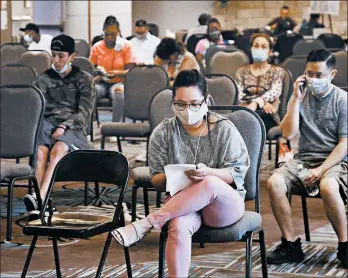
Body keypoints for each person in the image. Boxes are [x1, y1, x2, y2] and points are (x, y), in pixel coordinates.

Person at [111, 69, 249, 277]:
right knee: (177, 226)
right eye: (181, 104)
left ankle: (147, 222)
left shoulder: (224, 129)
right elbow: (156, 180)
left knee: (209, 183)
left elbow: (237, 174)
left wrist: (208, 173)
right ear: (173, 102)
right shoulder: (163, 132)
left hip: (222, 206)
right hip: (182, 205)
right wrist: (178, 175)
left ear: (207, 100)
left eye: (194, 104)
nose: (188, 110)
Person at [267, 49, 347, 269]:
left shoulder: (342, 100)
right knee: (274, 182)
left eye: (319, 75)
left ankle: (345, 245)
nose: (313, 79)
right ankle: (291, 244)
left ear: (332, 75)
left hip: (335, 162)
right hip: (304, 159)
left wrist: (321, 170)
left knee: (329, 186)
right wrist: (295, 98)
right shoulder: (301, 97)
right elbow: (288, 133)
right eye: (309, 73)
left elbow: (344, 144)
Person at [23, 35, 95, 212]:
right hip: (47, 123)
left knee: (58, 150)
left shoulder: (84, 79)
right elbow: (36, 109)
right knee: (40, 154)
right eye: (53, 55)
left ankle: (40, 198)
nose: (56, 60)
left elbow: (84, 112)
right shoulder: (42, 80)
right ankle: (44, 204)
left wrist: (64, 126)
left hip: (73, 125)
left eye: (61, 56)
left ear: (72, 56)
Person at [89, 15, 136, 124]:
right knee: (90, 91)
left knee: (119, 94)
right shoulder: (97, 47)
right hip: (102, 82)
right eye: (106, 34)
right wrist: (98, 74)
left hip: (119, 82)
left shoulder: (126, 46)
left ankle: (115, 125)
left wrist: (116, 73)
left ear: (118, 33)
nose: (109, 37)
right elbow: (91, 68)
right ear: (103, 32)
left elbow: (131, 72)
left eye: (113, 34)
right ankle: (88, 127)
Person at [235, 33, 285, 130]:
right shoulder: (241, 72)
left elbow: (274, 93)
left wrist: (256, 103)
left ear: (270, 51)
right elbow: (239, 95)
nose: (259, 49)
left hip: (267, 115)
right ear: (251, 48)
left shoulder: (277, 71)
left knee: (253, 126)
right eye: (256, 46)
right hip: (244, 112)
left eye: (264, 47)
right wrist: (262, 103)